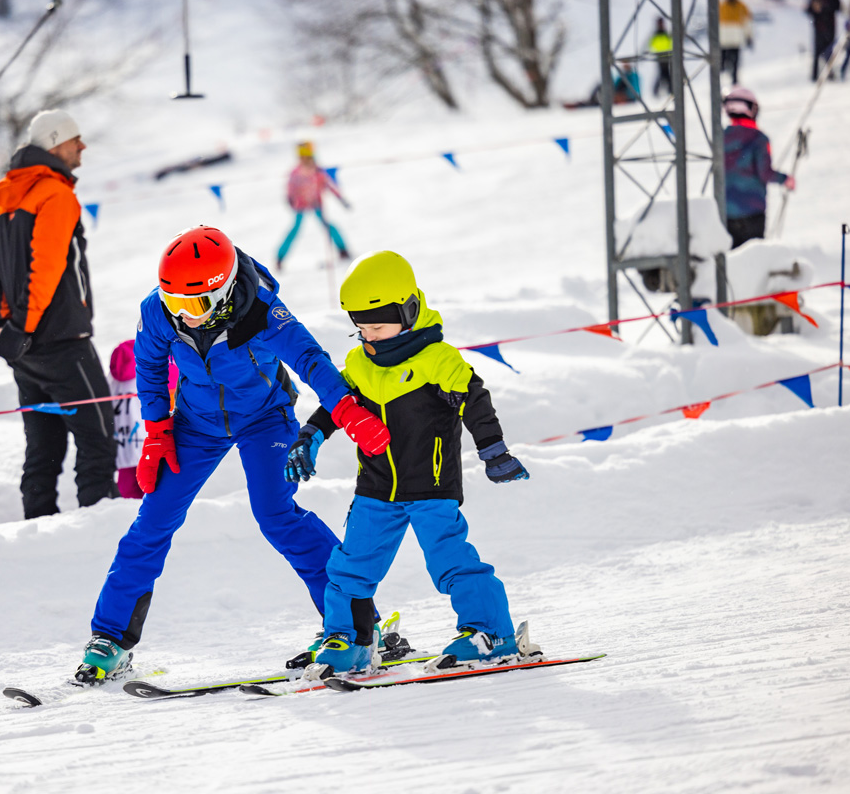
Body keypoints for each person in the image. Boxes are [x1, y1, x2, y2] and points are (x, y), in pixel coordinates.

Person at [76, 225, 392, 684]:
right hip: (195, 424)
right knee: (153, 521)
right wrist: (158, 428)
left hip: (264, 417)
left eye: (195, 305)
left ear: (223, 293)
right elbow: (147, 365)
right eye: (174, 304)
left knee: (276, 515)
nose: (184, 316)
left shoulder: (262, 311)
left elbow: (311, 361)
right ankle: (110, 638)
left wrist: (347, 410)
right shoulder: (159, 311)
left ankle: (355, 626)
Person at [284, 250, 536, 676]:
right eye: (361, 329)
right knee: (350, 565)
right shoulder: (360, 363)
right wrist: (310, 436)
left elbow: (476, 403)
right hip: (376, 489)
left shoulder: (438, 360)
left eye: (378, 327)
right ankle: (352, 640)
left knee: (451, 559)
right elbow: (337, 406)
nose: (369, 338)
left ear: (409, 311)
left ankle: (490, 633)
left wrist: (494, 451)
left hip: (431, 486)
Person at [0, 109, 118, 519]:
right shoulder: (56, 195)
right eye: (77, 139)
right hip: (63, 344)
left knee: (43, 449)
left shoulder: (7, 198)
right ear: (56, 143)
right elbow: (47, 268)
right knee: (98, 438)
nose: (83, 146)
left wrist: (4, 329)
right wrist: (19, 327)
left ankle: (37, 534)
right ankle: (98, 527)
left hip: (26, 351)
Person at [722, 87, 795, 249]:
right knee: (751, 261)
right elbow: (765, 173)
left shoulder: (720, 137)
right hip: (752, 213)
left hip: (725, 213)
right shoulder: (759, 139)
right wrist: (786, 180)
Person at [275, 142, 350, 270]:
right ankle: (280, 257)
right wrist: (290, 198)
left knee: (328, 226)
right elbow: (290, 187)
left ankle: (343, 249)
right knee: (295, 230)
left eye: (308, 158)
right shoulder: (295, 173)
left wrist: (341, 198)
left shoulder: (318, 171)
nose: (305, 161)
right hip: (301, 205)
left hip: (316, 204)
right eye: (303, 158)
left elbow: (329, 185)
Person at [109, 340, 146, 500]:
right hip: (150, 445)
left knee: (127, 497)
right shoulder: (154, 370)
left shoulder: (112, 380)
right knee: (157, 495)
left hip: (123, 445)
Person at [807, 0, 844, 81]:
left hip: (830, 30)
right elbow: (809, 11)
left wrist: (824, 7)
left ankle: (829, 73)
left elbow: (838, 8)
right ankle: (815, 76)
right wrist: (814, 8)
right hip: (818, 31)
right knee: (817, 54)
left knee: (829, 53)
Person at [720, 0, 753, 85]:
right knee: (721, 63)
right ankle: (721, 82)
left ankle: (734, 82)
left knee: (735, 63)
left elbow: (747, 22)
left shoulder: (741, 6)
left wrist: (749, 36)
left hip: (735, 40)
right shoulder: (721, 5)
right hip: (723, 40)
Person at [650, 18, 674, 97]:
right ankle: (659, 91)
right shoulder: (656, 34)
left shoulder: (665, 33)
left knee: (666, 74)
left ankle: (670, 90)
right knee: (662, 74)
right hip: (660, 57)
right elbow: (652, 44)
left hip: (667, 56)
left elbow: (670, 43)